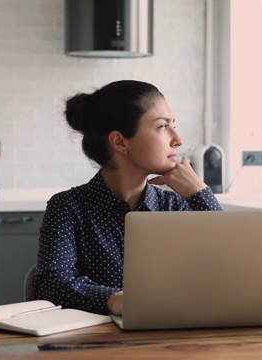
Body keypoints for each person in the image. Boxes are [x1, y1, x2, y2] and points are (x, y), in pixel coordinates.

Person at [33, 80, 223, 316]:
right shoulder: (68, 207)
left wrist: (200, 194)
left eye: (173, 125)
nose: (178, 139)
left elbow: (229, 270)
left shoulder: (176, 206)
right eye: (162, 127)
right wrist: (113, 300)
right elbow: (51, 286)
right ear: (120, 142)